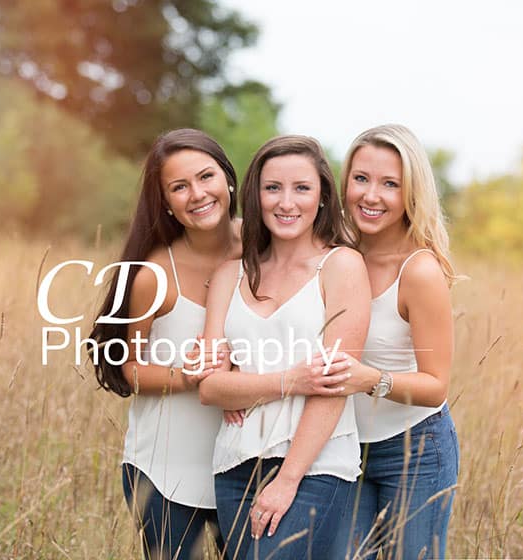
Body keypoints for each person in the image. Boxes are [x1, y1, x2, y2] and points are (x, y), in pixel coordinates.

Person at [197, 135, 371, 559]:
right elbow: (209, 388)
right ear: (256, 196)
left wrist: (289, 478)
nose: (286, 202)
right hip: (234, 464)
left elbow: (334, 385)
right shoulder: (229, 276)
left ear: (323, 198)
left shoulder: (341, 266)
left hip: (314, 467)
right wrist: (290, 380)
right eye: (273, 188)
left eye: (302, 188)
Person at [87, 129, 241, 559]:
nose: (197, 194)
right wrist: (195, 377)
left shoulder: (264, 250)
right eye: (179, 186)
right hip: (166, 474)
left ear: (228, 179)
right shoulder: (154, 274)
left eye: (206, 176)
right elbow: (126, 366)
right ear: (167, 202)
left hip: (245, 464)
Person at [330, 124, 460, 559]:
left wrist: (370, 378)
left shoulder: (419, 272)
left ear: (411, 193)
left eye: (390, 184)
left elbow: (436, 386)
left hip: (414, 451)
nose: (371, 195)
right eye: (362, 179)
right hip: (344, 448)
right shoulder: (334, 254)